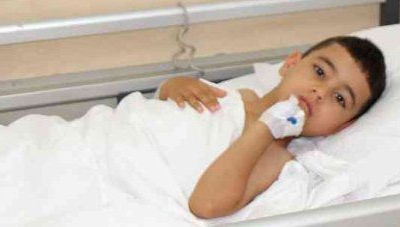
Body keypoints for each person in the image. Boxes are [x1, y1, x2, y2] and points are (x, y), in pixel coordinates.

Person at [157, 35, 386, 219]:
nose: (320, 92)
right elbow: (160, 112)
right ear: (290, 64)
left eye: (340, 98)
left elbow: (206, 205)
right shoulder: (233, 96)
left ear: (341, 127)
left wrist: (267, 127)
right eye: (319, 72)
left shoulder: (276, 159)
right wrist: (175, 85)